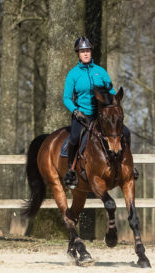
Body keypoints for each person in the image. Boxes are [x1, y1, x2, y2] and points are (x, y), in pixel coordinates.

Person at [61, 36, 116, 189]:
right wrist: (75, 111)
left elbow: (111, 90)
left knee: (122, 132)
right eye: (82, 51)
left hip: (100, 116)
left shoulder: (100, 72)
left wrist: (112, 101)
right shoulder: (73, 74)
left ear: (91, 52)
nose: (85, 54)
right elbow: (66, 98)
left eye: (88, 51)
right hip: (82, 116)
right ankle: (71, 171)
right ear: (78, 54)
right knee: (73, 138)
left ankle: (127, 166)